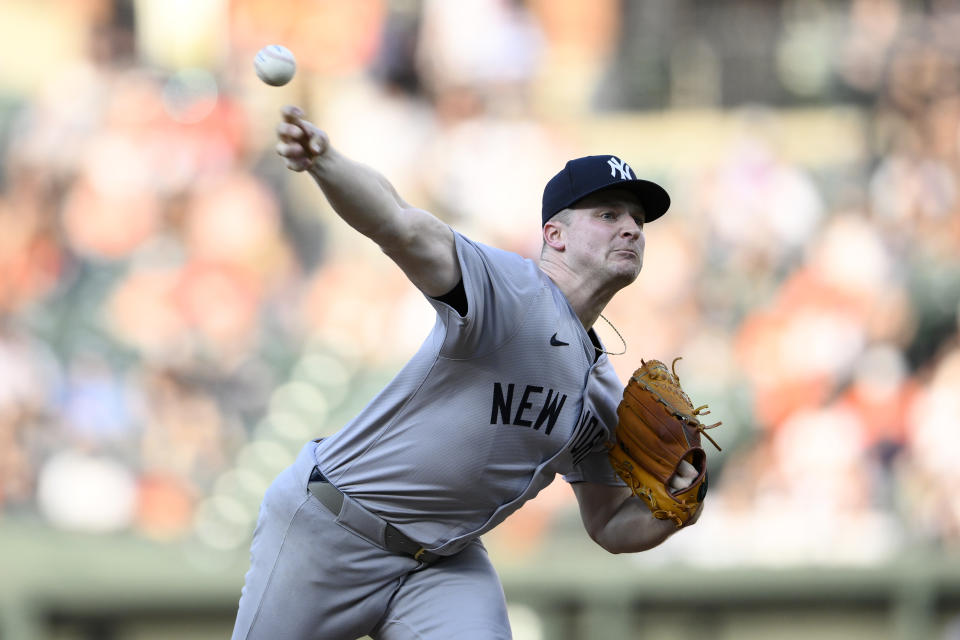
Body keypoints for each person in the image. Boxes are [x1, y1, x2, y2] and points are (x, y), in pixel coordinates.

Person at [231, 105, 702, 640]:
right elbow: (398, 225)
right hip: (331, 530)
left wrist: (680, 508)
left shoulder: (600, 394)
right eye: (608, 215)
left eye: (638, 221)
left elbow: (610, 525)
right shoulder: (508, 291)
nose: (631, 230)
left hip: (442, 563)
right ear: (555, 235)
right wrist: (326, 161)